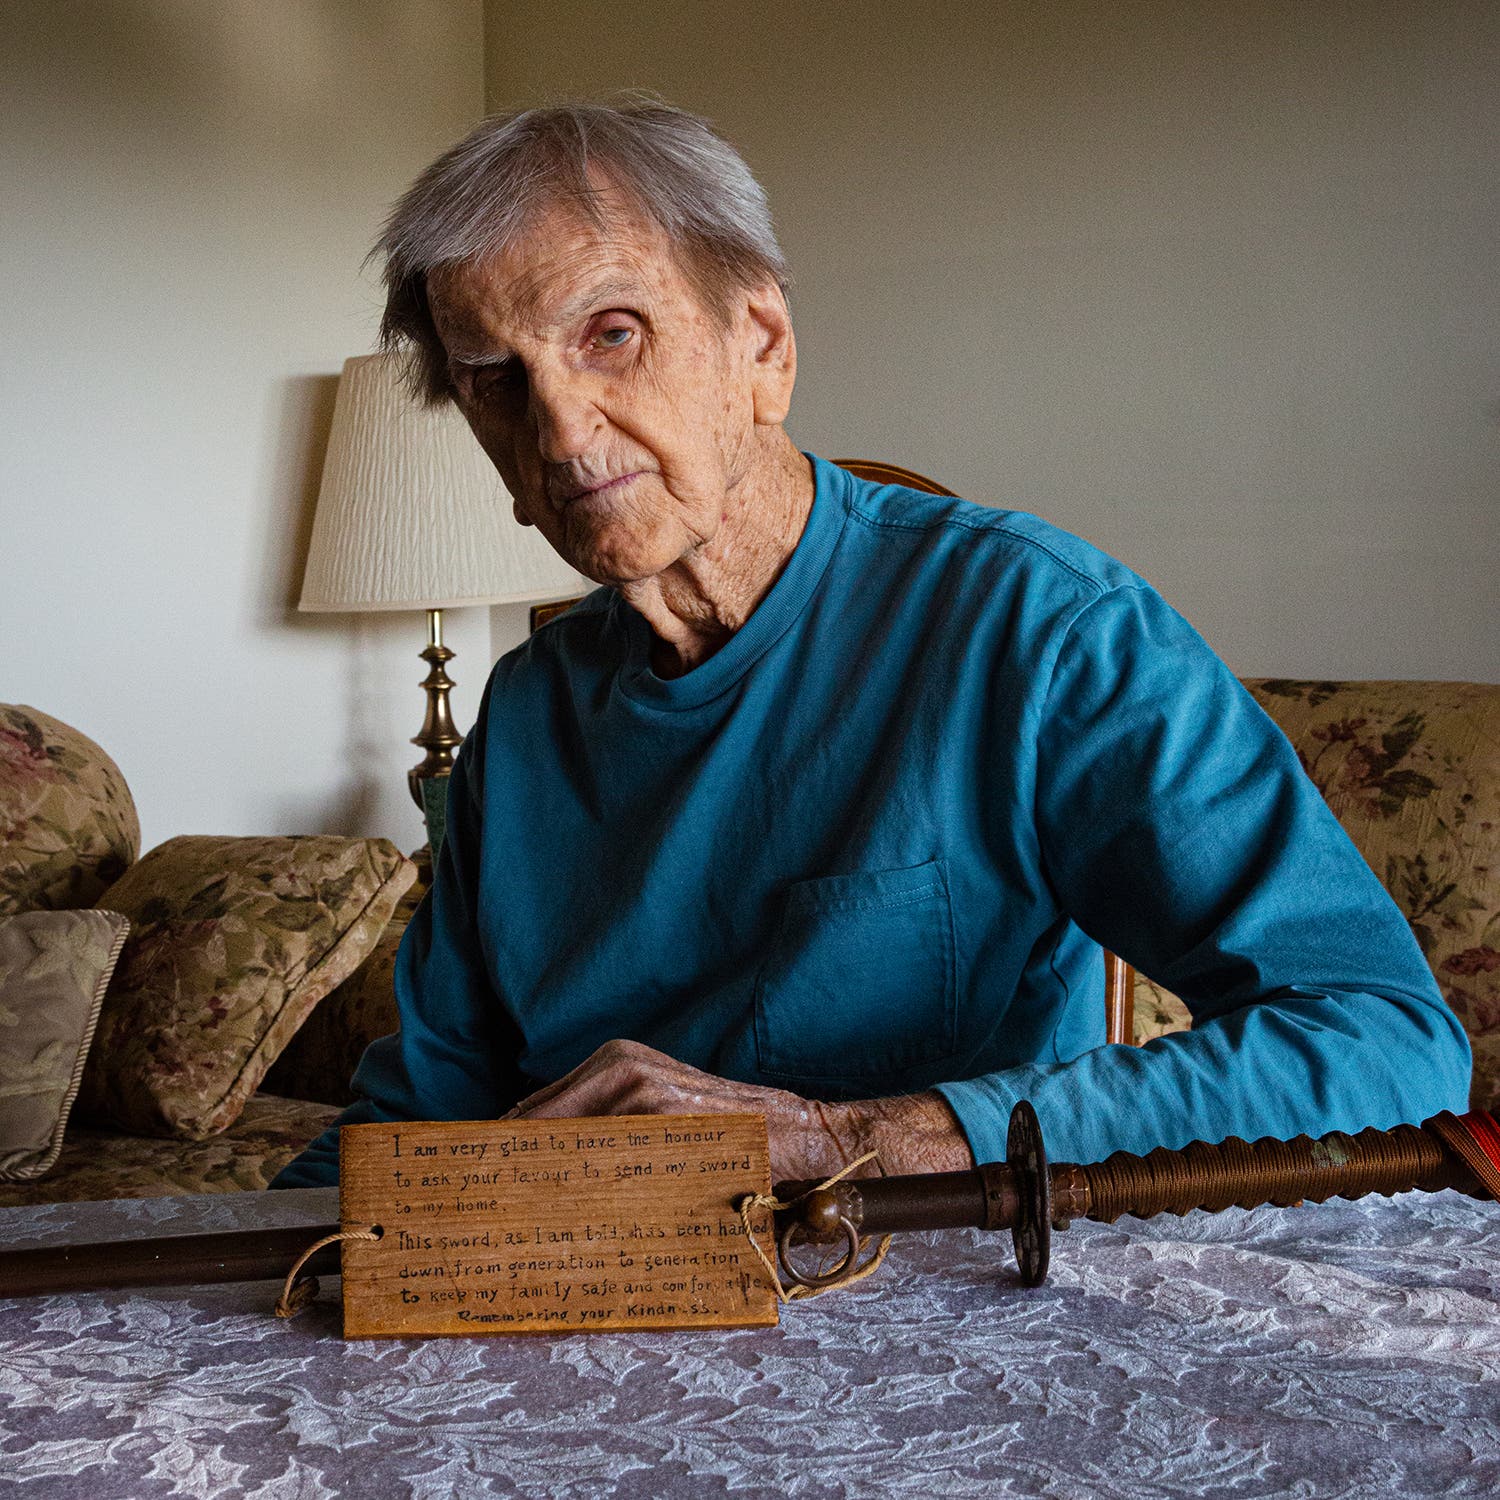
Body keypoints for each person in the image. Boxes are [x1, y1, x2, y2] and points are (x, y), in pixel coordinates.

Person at [275, 100, 1469, 1190]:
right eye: (495, 381)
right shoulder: (526, 716)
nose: (560, 427)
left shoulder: (1039, 626)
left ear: (763, 348)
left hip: (934, 1315)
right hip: (595, 1320)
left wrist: (854, 1137)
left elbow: (1383, 1044)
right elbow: (411, 1125)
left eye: (612, 333)